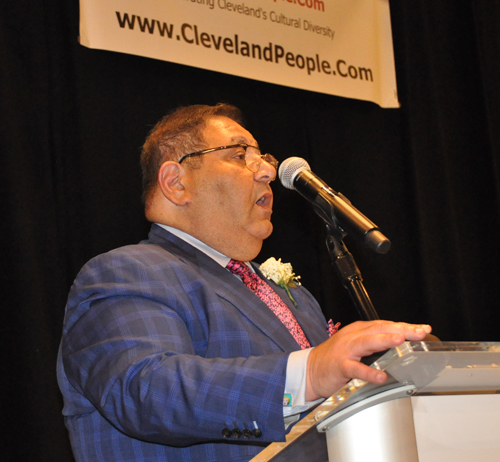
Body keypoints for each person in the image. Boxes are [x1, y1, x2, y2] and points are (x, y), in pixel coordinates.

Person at [57, 103, 432, 462]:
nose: (268, 171)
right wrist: (311, 371)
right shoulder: (127, 271)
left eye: (264, 158)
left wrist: (391, 377)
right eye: (239, 156)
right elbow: (146, 391)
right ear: (176, 183)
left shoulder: (293, 294)